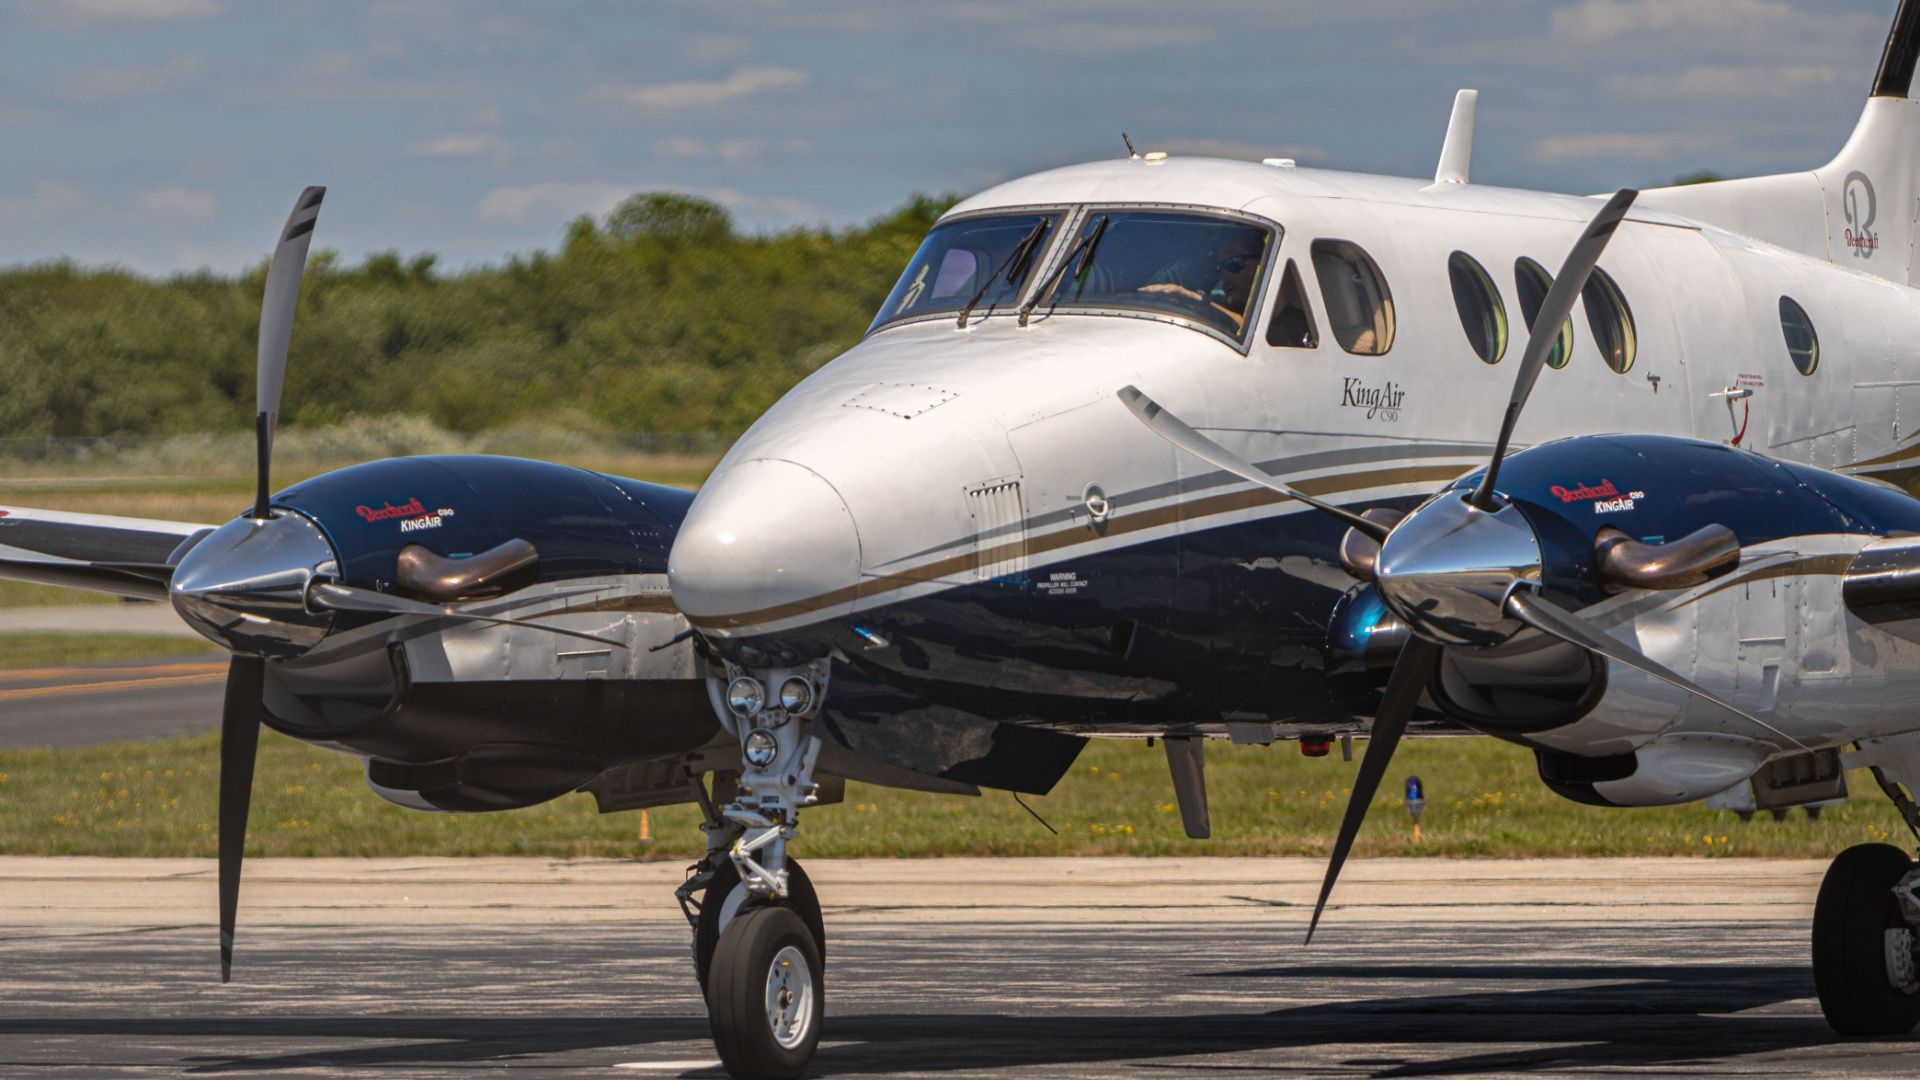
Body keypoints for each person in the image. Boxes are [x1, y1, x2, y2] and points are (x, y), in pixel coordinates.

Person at [1136, 240, 1265, 332]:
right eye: (1219, 269)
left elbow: (1251, 332)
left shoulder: (1281, 319)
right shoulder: (1221, 302)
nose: (1223, 277)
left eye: (1234, 264)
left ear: (1261, 263)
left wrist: (1194, 298)